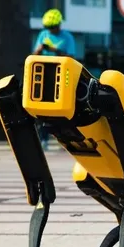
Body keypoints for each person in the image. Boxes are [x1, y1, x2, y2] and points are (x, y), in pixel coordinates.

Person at [33, 8, 75, 149]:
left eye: (53, 27)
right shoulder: (43, 35)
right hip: (45, 76)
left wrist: (54, 51)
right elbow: (34, 56)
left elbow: (72, 58)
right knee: (43, 110)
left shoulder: (67, 37)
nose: (50, 30)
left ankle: (64, 138)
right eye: (48, 28)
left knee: (61, 110)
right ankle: (43, 139)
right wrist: (39, 50)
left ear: (59, 25)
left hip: (61, 77)